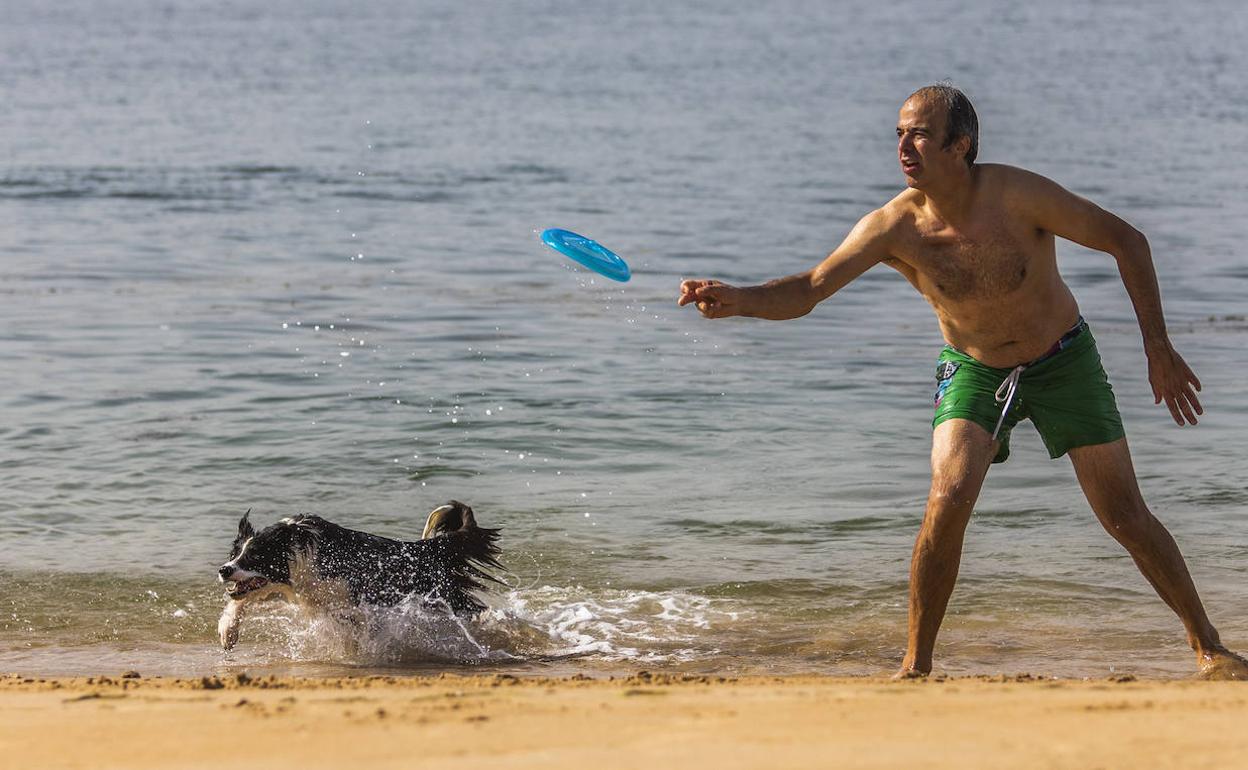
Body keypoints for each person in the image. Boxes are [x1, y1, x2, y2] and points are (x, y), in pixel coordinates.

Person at [678, 84, 1248, 680]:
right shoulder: (893, 226)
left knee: (1125, 515)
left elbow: (1127, 241)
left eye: (919, 133)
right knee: (947, 501)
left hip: (1063, 359)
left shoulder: (1019, 196)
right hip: (972, 368)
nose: (904, 145)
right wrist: (738, 298)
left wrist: (1157, 348)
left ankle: (1209, 645)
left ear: (961, 145)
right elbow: (811, 288)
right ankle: (916, 666)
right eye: (899, 133)